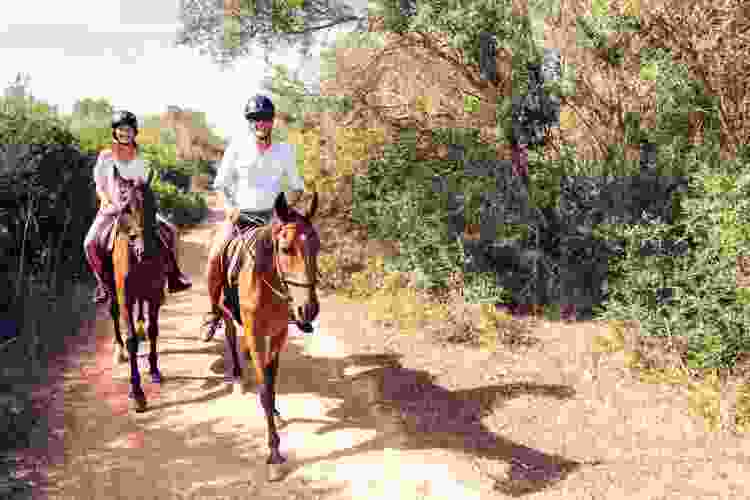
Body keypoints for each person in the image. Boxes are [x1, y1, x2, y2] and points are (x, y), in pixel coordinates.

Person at [201, 94, 305, 341]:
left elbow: (296, 186)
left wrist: (286, 206)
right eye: (255, 119)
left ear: (272, 121)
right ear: (250, 122)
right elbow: (220, 185)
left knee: (296, 256)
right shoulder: (236, 148)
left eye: (265, 119)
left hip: (272, 220)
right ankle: (214, 311)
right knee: (216, 256)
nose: (260, 124)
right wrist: (228, 207)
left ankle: (296, 308)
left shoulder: (284, 150)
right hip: (241, 218)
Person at [83, 110, 192, 305]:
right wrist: (106, 200)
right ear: (114, 132)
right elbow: (99, 184)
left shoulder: (140, 157)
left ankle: (174, 276)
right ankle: (103, 285)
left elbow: (143, 185)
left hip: (136, 210)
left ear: (135, 132)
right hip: (111, 210)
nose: (125, 133)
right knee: (89, 243)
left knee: (170, 231)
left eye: (128, 130)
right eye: (120, 130)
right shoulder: (106, 156)